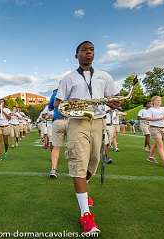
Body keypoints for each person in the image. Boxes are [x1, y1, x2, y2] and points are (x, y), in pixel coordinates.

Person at [55, 40, 118, 234]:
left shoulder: (104, 76)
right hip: (77, 122)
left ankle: (84, 187)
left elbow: (114, 99)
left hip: (98, 121)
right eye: (84, 50)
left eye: (91, 50)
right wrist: (69, 103)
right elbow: (57, 104)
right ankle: (86, 216)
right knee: (78, 162)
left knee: (94, 160)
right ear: (77, 55)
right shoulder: (68, 78)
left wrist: (114, 103)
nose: (88, 52)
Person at [48, 89, 68, 178]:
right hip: (72, 121)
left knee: (56, 147)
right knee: (74, 146)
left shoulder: (56, 93)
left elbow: (50, 107)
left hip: (58, 121)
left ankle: (53, 169)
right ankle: (77, 170)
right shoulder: (74, 91)